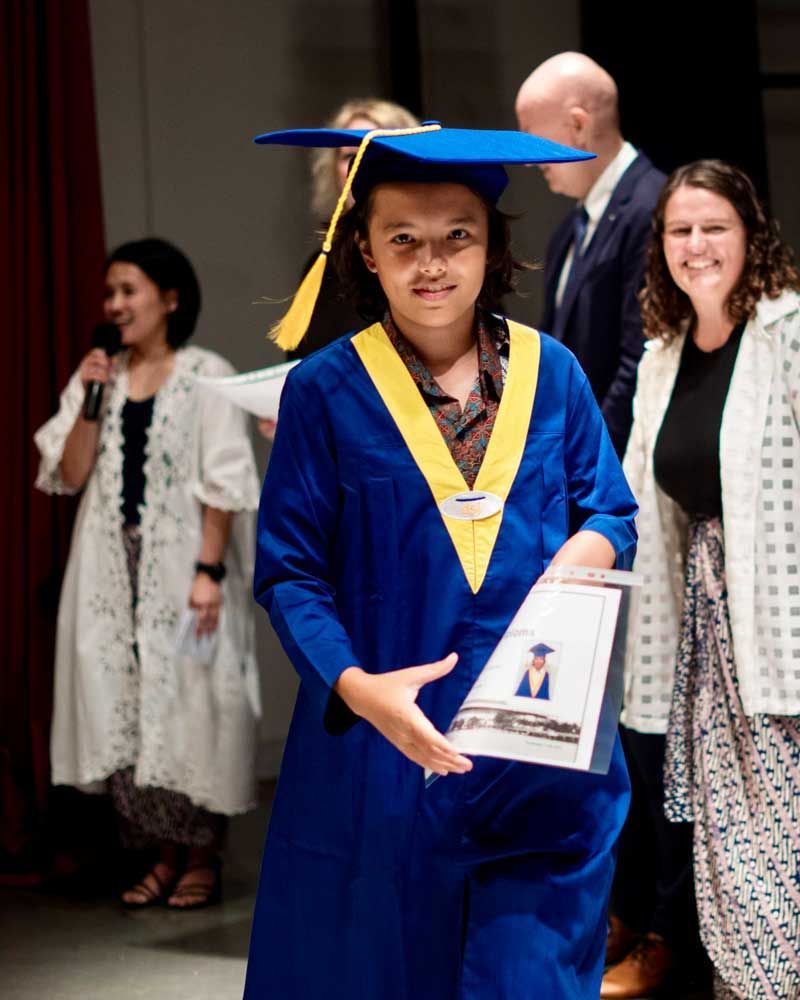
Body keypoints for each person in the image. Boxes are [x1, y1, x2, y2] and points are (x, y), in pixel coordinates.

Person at [244, 122, 638, 999]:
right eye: (404, 240)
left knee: (525, 975)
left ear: (492, 245)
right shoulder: (323, 392)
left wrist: (587, 546)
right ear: (366, 253)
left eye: (458, 234)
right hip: (383, 754)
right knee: (386, 970)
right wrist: (355, 686)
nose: (433, 262)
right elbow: (290, 572)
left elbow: (611, 507)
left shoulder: (556, 372)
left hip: (533, 746)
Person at [34, 238, 261, 909]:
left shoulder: (205, 375)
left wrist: (208, 571)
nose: (115, 305)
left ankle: (201, 855)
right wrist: (91, 396)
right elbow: (70, 474)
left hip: (183, 566)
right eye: (109, 294)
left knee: (192, 700)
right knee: (129, 705)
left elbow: (223, 482)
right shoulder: (96, 376)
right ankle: (161, 855)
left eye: (128, 290)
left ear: (170, 298)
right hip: (111, 568)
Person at [621, 160, 800, 999]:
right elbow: (629, 497)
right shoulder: (661, 357)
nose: (696, 245)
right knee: (729, 834)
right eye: (679, 230)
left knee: (782, 827)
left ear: (749, 235)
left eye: (714, 227)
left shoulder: (788, 331)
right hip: (702, 619)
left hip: (780, 617)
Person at [515, 52, 665, 458]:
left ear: (578, 125)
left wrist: (589, 462)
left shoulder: (654, 207)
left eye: (533, 137)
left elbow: (639, 361)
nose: (530, 159)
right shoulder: (568, 229)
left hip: (617, 464)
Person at [257, 98, 419, 442]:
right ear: (333, 170)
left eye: (376, 149)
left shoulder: (432, 257)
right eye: (349, 155)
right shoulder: (321, 265)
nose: (362, 163)